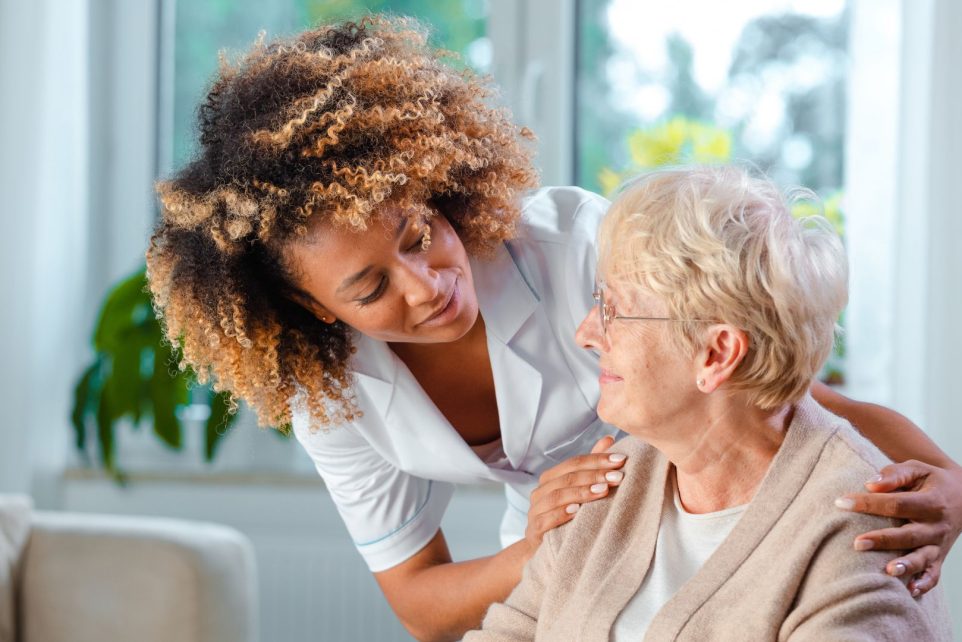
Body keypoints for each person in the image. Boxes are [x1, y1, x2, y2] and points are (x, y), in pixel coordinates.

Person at [145, 16, 962, 641]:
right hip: (576, 540)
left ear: (431, 185)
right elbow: (424, 604)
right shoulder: (331, 390)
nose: (429, 286)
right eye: (370, 287)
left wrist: (947, 479)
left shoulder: (576, 250)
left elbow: (778, 388)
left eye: (420, 233)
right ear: (319, 310)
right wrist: (539, 548)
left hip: (712, 490)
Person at [467, 166, 952, 641]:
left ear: (717, 354)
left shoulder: (860, 543)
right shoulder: (610, 479)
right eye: (596, 299)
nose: (586, 332)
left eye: (614, 308)